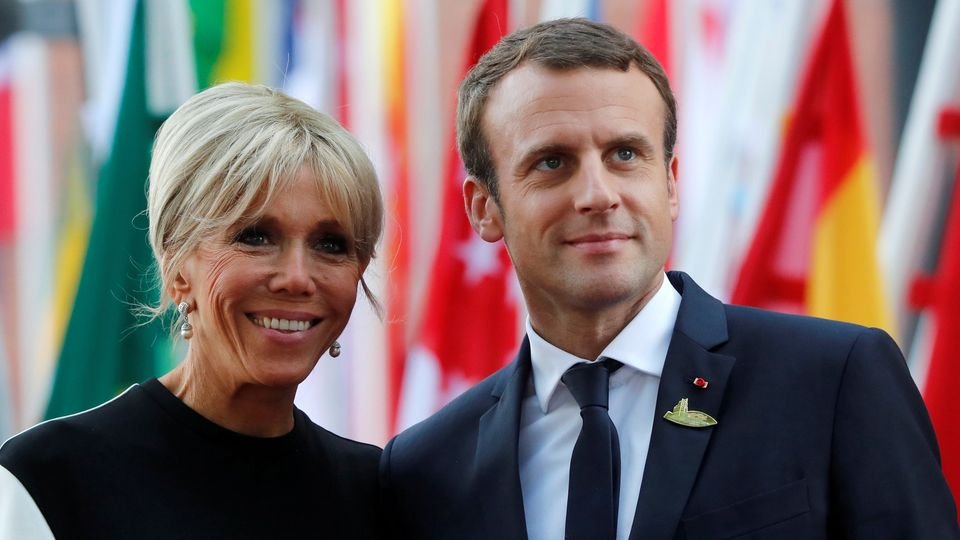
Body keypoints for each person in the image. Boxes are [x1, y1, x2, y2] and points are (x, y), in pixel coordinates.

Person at [379, 18, 960, 539]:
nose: (598, 194)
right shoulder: (426, 467)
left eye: (625, 155)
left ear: (671, 183)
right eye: (552, 162)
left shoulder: (834, 380)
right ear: (483, 208)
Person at [0, 82, 385, 539]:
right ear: (176, 264)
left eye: (330, 244)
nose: (297, 278)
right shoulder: (47, 480)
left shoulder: (377, 493)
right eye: (256, 236)